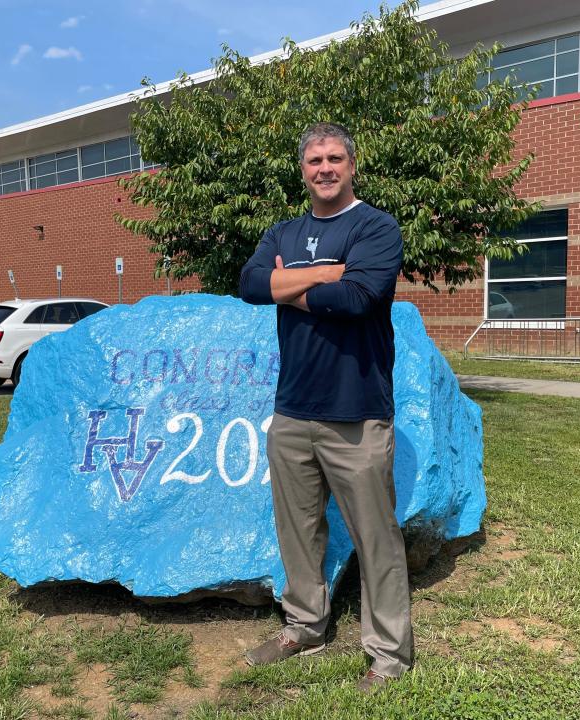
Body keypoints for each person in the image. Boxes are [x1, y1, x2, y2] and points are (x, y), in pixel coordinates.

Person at [238, 122, 412, 692]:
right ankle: (305, 625)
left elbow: (360, 297)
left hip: (357, 412)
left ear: (352, 164)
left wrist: (292, 282)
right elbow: (251, 284)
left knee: (376, 539)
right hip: (291, 412)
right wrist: (327, 274)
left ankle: (389, 655)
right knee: (298, 530)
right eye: (315, 160)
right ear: (303, 169)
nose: (325, 168)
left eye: (335, 157)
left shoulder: (376, 227)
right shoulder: (283, 229)